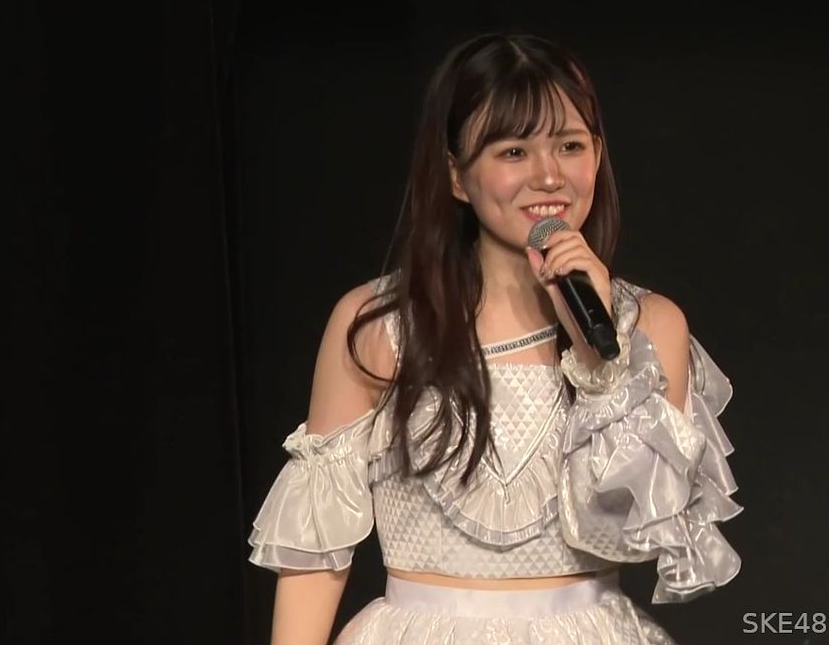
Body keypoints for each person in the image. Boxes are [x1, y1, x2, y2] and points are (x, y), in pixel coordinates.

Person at [246, 32, 742, 645]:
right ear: (457, 175)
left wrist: (599, 360)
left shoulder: (648, 326)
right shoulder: (380, 324)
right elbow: (315, 550)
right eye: (513, 152)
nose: (548, 175)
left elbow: (637, 530)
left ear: (598, 155)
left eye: (570, 145)